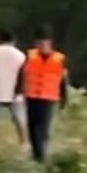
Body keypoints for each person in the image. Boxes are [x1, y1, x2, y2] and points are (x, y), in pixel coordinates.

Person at [20, 27, 67, 163]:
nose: (41, 46)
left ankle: (41, 156)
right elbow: (21, 74)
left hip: (48, 97)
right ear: (35, 43)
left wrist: (64, 98)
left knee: (43, 127)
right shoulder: (29, 55)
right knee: (32, 127)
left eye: (44, 43)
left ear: (50, 43)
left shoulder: (59, 58)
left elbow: (63, 80)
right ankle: (36, 154)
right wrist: (18, 90)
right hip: (31, 96)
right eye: (39, 43)